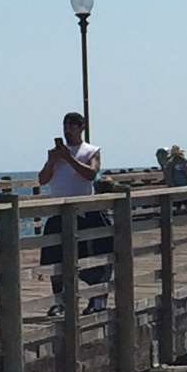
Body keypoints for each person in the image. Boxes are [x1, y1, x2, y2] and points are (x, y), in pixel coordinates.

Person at [37, 111, 110, 297]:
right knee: (55, 258)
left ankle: (96, 299)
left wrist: (69, 158)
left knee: (91, 257)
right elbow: (42, 180)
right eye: (65, 126)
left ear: (81, 127)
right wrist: (53, 161)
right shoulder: (55, 154)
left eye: (72, 125)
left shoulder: (91, 151)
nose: (67, 129)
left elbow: (91, 174)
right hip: (57, 212)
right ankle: (59, 301)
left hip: (84, 212)